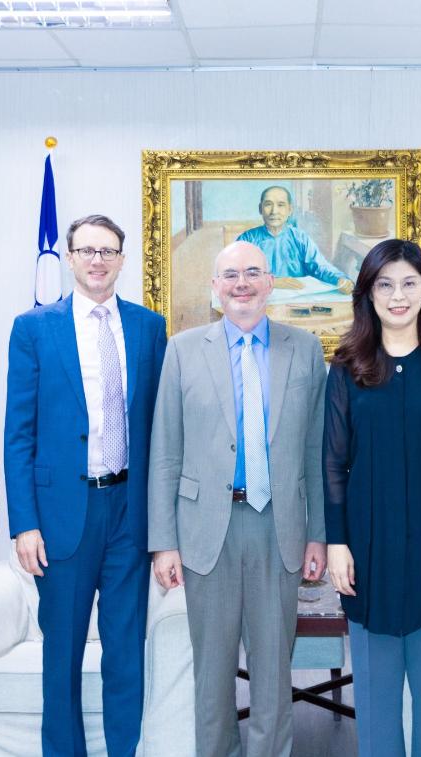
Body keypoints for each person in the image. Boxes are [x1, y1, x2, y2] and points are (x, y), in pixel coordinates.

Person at [148, 240, 327, 757]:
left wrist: (319, 535)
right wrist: (164, 543)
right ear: (215, 287)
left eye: (252, 272)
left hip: (279, 526)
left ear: (270, 283)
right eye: (230, 275)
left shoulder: (305, 349)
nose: (241, 283)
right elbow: (166, 452)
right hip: (206, 530)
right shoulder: (182, 350)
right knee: (212, 675)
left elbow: (316, 451)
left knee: (273, 673)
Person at [5, 214, 166, 756]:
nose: (98, 260)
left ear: (122, 260)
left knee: (126, 651)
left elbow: (162, 430)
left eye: (108, 251)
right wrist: (24, 524)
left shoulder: (149, 328)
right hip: (61, 516)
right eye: (87, 251)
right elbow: (18, 434)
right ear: (70, 258)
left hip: (129, 511)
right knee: (63, 654)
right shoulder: (34, 329)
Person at [324, 238, 421, 756]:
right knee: (375, 703)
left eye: (409, 283)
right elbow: (333, 463)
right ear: (368, 294)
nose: (397, 296)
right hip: (368, 551)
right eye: (385, 284)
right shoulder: (347, 366)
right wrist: (337, 543)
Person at [237, 185, 355, 294]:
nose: (274, 211)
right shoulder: (247, 240)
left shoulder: (300, 238)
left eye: (281, 205)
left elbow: (320, 266)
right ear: (260, 209)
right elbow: (234, 273)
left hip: (297, 299)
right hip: (257, 299)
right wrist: (271, 282)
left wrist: (340, 279)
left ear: (290, 210)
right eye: (268, 204)